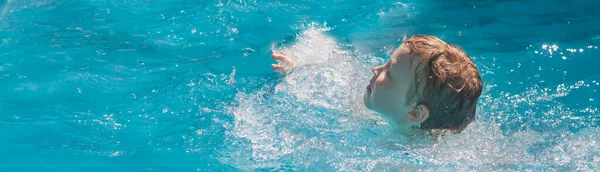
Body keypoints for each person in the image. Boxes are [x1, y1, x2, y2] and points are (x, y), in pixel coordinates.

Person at [271, 35, 483, 135]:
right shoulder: (393, 115)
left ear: (415, 114)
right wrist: (300, 67)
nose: (376, 69)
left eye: (389, 74)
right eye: (386, 64)